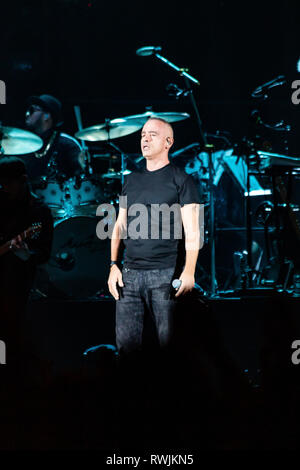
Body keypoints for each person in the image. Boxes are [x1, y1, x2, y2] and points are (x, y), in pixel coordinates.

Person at [107, 117, 202, 356]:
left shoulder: (182, 180)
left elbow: (193, 230)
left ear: (168, 142)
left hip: (165, 274)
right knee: (127, 351)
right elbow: (119, 224)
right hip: (129, 276)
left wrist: (189, 271)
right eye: (142, 135)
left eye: (153, 135)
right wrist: (113, 266)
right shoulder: (131, 180)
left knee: (170, 349)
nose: (145, 139)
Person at [0, 157, 53, 376]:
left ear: (23, 181)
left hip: (17, 281)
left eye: (7, 184)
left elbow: (43, 253)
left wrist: (27, 255)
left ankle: (12, 372)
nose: (3, 189)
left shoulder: (39, 213)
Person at [23, 94, 83, 186]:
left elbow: (82, 177)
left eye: (32, 110)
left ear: (46, 116)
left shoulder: (67, 144)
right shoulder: (22, 144)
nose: (27, 114)